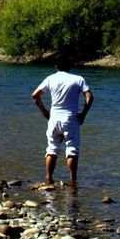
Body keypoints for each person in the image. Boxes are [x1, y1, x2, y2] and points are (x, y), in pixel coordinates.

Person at [31, 56, 93, 189]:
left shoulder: (50, 78)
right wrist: (83, 114)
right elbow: (89, 97)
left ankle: (49, 178)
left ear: (56, 67)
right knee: (72, 149)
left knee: (52, 149)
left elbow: (35, 95)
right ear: (69, 66)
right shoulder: (78, 79)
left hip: (54, 118)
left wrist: (44, 111)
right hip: (70, 119)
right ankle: (72, 181)